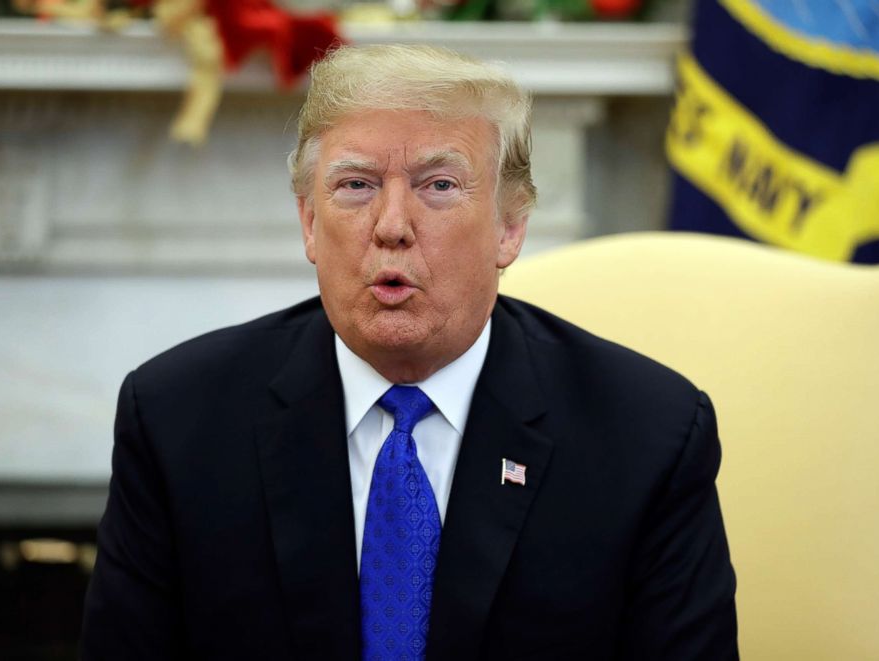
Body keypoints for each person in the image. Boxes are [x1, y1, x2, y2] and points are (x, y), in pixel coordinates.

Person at [80, 44, 738, 660]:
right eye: (357, 185)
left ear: (511, 227)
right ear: (310, 221)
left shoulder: (646, 436)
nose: (392, 226)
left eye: (440, 185)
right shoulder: (177, 420)